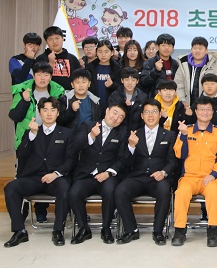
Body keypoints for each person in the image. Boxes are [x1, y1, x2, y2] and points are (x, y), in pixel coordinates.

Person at [3, 97, 76, 248]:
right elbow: (21, 154)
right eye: (45, 110)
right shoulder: (31, 132)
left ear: (58, 113)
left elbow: (71, 160)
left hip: (56, 177)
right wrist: (32, 135)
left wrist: (56, 173)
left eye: (52, 110)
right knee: (10, 188)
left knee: (64, 189)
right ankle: (19, 231)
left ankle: (58, 230)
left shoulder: (67, 133)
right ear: (39, 112)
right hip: (34, 178)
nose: (49, 114)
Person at [114, 99, 177, 245]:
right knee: (120, 190)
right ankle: (131, 230)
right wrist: (131, 146)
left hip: (158, 178)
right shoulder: (134, 134)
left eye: (154, 112)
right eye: (147, 112)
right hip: (137, 177)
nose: (151, 115)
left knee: (164, 190)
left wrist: (163, 172)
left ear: (160, 114)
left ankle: (158, 231)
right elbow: (125, 162)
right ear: (142, 115)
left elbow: (173, 161)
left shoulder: (169, 135)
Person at [171, 96, 217, 247]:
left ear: (213, 112)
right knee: (181, 193)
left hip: (210, 177)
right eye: (201, 109)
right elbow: (180, 154)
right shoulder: (186, 130)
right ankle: (179, 230)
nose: (205, 112)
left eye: (208, 109)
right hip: (189, 177)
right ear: (196, 112)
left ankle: (213, 231)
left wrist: (213, 175)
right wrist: (183, 135)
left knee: (214, 194)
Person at [69, 102, 128, 245]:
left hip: (107, 175)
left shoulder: (122, 132)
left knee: (110, 191)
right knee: (74, 192)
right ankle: (83, 229)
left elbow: (122, 158)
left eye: (121, 117)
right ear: (107, 111)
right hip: (86, 174)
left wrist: (109, 172)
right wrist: (91, 136)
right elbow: (75, 146)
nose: (116, 118)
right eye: (114, 113)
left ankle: (106, 228)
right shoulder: (88, 125)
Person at [174, 36, 217, 107]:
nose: (197, 51)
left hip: (208, 107)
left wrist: (211, 103)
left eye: (200, 48)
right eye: (195, 48)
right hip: (187, 106)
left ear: (206, 50)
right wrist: (182, 101)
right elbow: (178, 84)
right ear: (191, 50)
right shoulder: (183, 65)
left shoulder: (215, 65)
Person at [35, 25, 81, 91]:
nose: (54, 41)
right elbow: (40, 80)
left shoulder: (72, 58)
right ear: (46, 42)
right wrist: (50, 63)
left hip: (69, 94)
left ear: (62, 39)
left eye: (57, 38)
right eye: (50, 39)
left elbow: (79, 79)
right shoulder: (41, 59)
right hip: (48, 95)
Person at [85, 39, 122, 111]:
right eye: (100, 52)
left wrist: (112, 85)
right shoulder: (90, 68)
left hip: (111, 106)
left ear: (112, 53)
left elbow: (121, 88)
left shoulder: (117, 68)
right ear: (96, 52)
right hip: (93, 106)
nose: (103, 55)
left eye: (106, 52)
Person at [108, 67, 148, 132]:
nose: (130, 83)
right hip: (117, 133)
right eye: (126, 80)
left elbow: (144, 119)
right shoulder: (114, 96)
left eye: (133, 80)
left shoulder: (143, 97)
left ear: (137, 81)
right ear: (122, 80)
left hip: (136, 133)